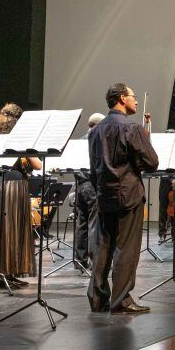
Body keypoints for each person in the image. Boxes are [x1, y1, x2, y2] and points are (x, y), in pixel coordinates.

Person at [88, 84, 159, 313]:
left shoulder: (95, 131)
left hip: (103, 195)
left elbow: (93, 168)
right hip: (128, 194)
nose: (136, 101)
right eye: (133, 97)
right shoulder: (132, 128)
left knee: (103, 248)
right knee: (126, 249)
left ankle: (98, 299)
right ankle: (121, 300)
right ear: (121, 98)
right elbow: (152, 162)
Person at [0, 113, 41, 290]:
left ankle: (2, 272)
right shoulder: (20, 142)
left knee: (2, 230)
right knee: (13, 230)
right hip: (15, 186)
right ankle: (8, 272)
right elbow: (38, 164)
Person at [72, 113, 105, 270]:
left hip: (79, 185)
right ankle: (94, 261)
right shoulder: (96, 140)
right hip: (92, 185)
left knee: (82, 223)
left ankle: (79, 260)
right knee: (94, 223)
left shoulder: (78, 142)